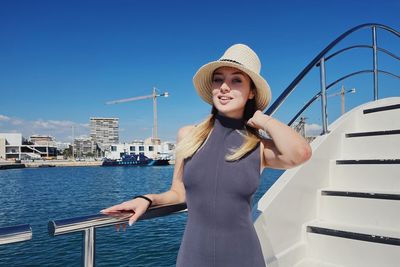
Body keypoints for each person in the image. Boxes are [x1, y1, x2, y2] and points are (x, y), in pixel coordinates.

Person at [101, 44, 312, 266]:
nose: (224, 87)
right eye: (218, 79)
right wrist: (147, 199)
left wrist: (263, 119)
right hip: (193, 257)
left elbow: (301, 153)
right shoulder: (189, 135)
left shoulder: (257, 146)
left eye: (236, 80)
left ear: (252, 92)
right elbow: (178, 193)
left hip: (243, 257)